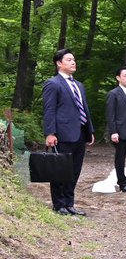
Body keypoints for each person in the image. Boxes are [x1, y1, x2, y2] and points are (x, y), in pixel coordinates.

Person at [42, 48, 95, 216]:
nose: (73, 62)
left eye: (74, 59)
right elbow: (49, 110)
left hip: (79, 133)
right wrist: (50, 133)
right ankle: (59, 205)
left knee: (74, 171)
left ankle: (70, 203)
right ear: (59, 63)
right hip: (62, 134)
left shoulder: (78, 85)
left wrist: (89, 130)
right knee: (60, 170)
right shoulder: (53, 83)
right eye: (69, 59)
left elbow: (84, 109)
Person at [105, 66, 126, 193]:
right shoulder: (113, 94)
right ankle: (123, 183)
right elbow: (110, 114)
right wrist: (113, 131)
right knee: (120, 159)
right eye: (125, 75)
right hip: (120, 132)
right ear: (118, 78)